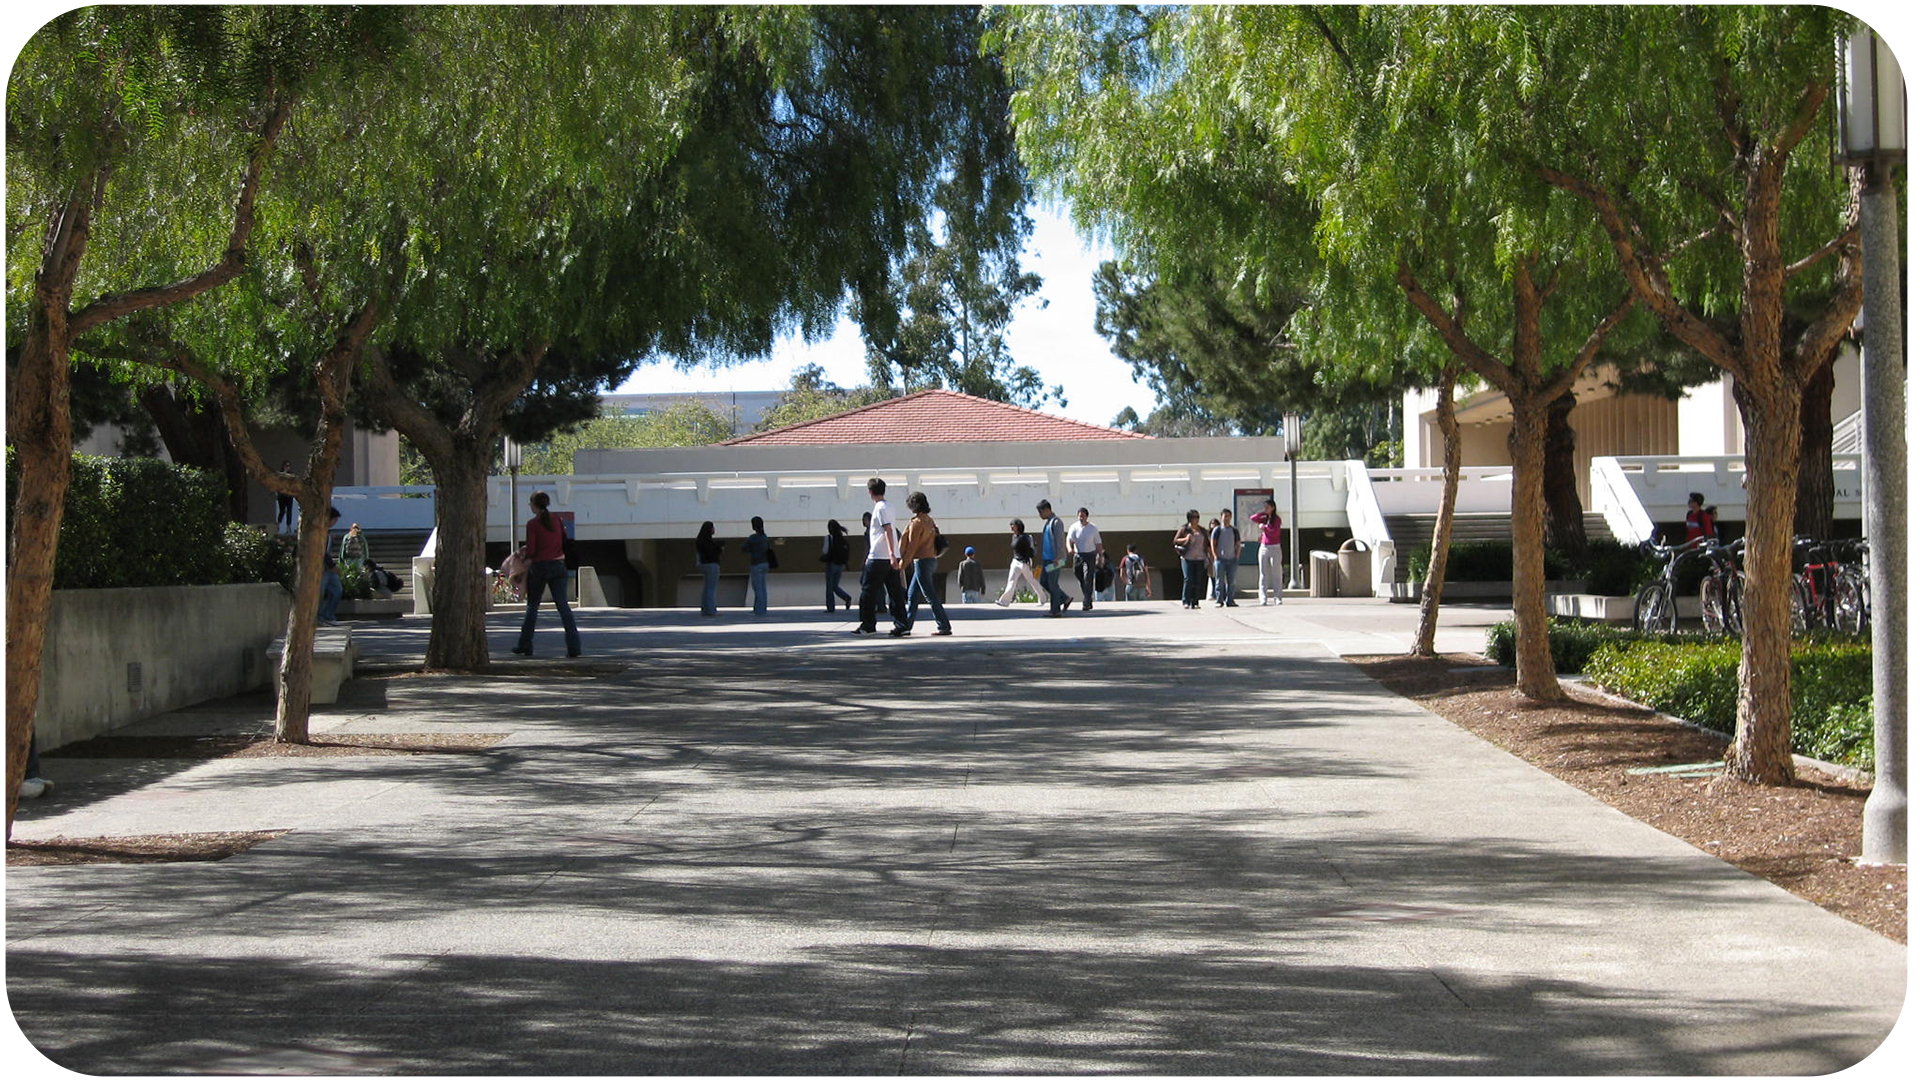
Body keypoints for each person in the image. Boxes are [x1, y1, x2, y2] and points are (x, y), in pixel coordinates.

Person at [512, 491, 581, 657]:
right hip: (558, 565)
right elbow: (564, 539)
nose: (530, 506)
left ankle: (525, 645)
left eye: (530, 503)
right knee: (563, 606)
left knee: (533, 606)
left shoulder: (532, 524)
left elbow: (533, 550)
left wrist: (523, 555)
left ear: (534, 505)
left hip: (540, 567)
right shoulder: (556, 519)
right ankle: (574, 647)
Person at [854, 477, 909, 636]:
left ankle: (868, 624)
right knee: (895, 591)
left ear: (870, 492)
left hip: (879, 556)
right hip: (890, 556)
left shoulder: (879, 508)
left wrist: (891, 554)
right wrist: (895, 555)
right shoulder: (890, 506)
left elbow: (887, 530)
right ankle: (901, 624)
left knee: (868, 591)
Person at [899, 491, 952, 636]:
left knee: (929, 596)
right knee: (912, 593)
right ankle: (906, 625)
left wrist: (902, 564)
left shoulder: (916, 523)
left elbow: (912, 547)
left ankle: (944, 626)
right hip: (931, 559)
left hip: (921, 561)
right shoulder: (929, 520)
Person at [1033, 498, 1072, 617]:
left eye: (1041, 512)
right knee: (1044, 581)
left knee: (1052, 583)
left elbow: (1060, 541)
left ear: (1047, 510)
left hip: (1055, 560)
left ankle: (1055, 610)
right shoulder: (1048, 523)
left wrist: (1058, 557)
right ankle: (1064, 598)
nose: (1040, 515)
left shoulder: (1056, 522)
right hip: (1047, 559)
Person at [994, 519, 1043, 607]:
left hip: (1024, 563)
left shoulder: (1025, 537)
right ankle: (1004, 601)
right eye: (1011, 525)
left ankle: (1042, 598)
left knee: (1032, 581)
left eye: (1013, 525)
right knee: (1011, 581)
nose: (1012, 527)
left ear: (1018, 526)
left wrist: (1031, 562)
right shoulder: (1014, 536)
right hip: (1015, 561)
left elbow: (1030, 551)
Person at [1248, 498, 1286, 605]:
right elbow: (1253, 518)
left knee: (1276, 572)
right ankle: (1263, 597)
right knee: (1263, 573)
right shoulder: (1264, 518)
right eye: (1264, 507)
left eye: (1267, 507)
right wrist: (1262, 514)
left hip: (1275, 546)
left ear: (1273, 508)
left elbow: (1275, 533)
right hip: (1264, 546)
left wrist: (1264, 528)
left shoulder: (1277, 519)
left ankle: (1278, 597)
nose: (1265, 509)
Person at [1067, 506, 1104, 611]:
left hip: (1089, 555)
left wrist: (1100, 556)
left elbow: (1098, 543)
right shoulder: (1074, 527)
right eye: (1079, 516)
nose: (1081, 518)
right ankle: (1088, 597)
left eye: (1083, 516)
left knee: (1088, 578)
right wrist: (1069, 548)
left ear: (1087, 517)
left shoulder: (1093, 528)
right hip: (1078, 555)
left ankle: (1086, 602)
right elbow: (1069, 540)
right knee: (1079, 576)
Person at [1173, 509, 1210, 609]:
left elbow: (1207, 544)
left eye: (1197, 517)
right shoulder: (1184, 529)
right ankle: (1186, 601)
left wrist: (1209, 556)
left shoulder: (1202, 530)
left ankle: (1195, 602)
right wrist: (1186, 539)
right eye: (1194, 517)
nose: (1196, 519)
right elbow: (1175, 540)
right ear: (1189, 518)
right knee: (1188, 579)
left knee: (1197, 580)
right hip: (1187, 558)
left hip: (1200, 558)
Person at [1211, 507, 1242, 607]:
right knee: (1219, 581)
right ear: (1221, 517)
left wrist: (1237, 556)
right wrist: (1215, 556)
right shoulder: (1217, 530)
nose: (1226, 518)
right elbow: (1213, 543)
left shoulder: (1234, 530)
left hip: (1232, 559)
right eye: (1225, 516)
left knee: (1231, 581)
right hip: (1220, 559)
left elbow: (1238, 543)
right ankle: (1219, 600)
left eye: (1228, 516)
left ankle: (1230, 600)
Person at [318, 506, 344, 625]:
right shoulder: (319, 531)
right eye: (334, 520)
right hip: (322, 568)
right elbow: (321, 551)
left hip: (328, 568)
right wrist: (332, 565)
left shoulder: (328, 532)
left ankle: (328, 615)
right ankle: (319, 617)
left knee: (337, 590)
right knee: (320, 593)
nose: (335, 523)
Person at [822, 519, 854, 612]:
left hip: (831, 563)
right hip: (840, 564)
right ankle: (846, 597)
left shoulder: (829, 538)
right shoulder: (841, 538)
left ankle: (830, 607)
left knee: (829, 587)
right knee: (835, 586)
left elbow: (825, 550)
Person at [742, 516, 772, 615]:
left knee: (757, 587)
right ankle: (762, 607)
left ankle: (758, 609)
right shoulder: (765, 537)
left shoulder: (753, 538)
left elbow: (744, 548)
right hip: (765, 563)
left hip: (756, 563)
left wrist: (752, 549)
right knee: (763, 587)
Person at [694, 520, 723, 616]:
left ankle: (705, 609)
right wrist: (719, 549)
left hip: (703, 564)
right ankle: (711, 610)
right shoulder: (708, 541)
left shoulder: (700, 540)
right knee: (711, 589)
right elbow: (712, 553)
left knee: (706, 588)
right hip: (711, 565)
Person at [274, 460, 296, 535]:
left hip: (289, 495)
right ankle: (278, 524)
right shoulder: (280, 475)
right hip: (282, 495)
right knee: (282, 510)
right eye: (286, 466)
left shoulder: (291, 474)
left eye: (289, 466)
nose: (288, 467)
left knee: (289, 511)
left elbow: (293, 480)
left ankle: (288, 527)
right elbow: (277, 482)